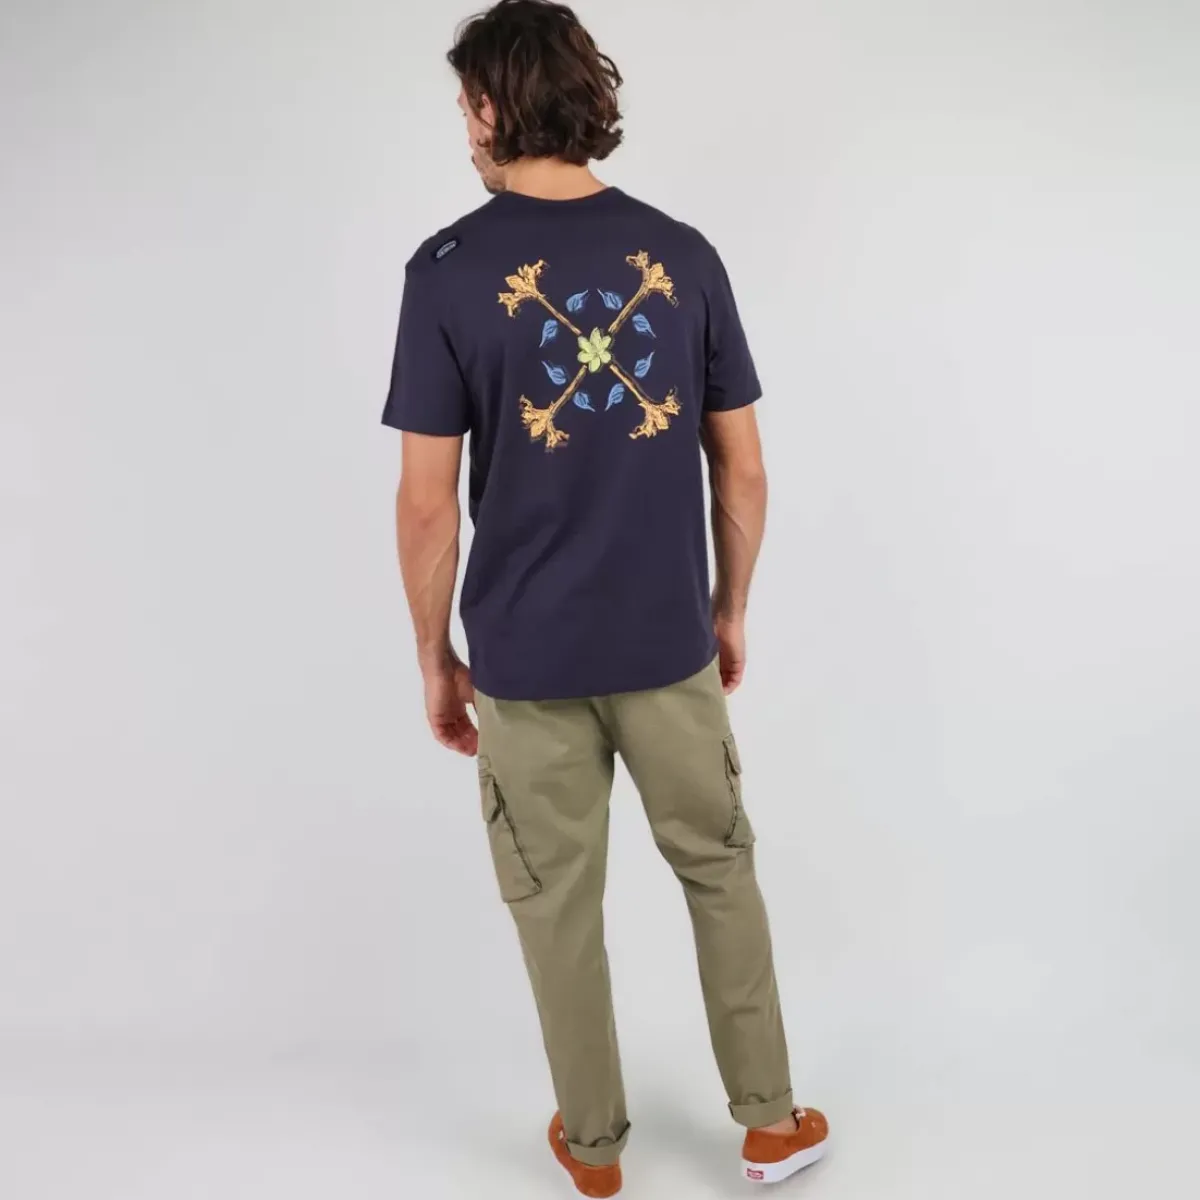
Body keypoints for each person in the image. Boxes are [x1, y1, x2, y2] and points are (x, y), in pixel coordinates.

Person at [382, 1, 828, 1193]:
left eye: (465, 106)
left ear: (490, 105)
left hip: (523, 658)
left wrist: (435, 656)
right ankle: (771, 1124)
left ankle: (592, 1150)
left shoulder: (447, 273)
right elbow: (743, 468)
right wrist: (729, 609)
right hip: (666, 643)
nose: (464, 128)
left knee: (555, 905)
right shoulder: (683, 257)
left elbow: (426, 505)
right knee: (718, 868)